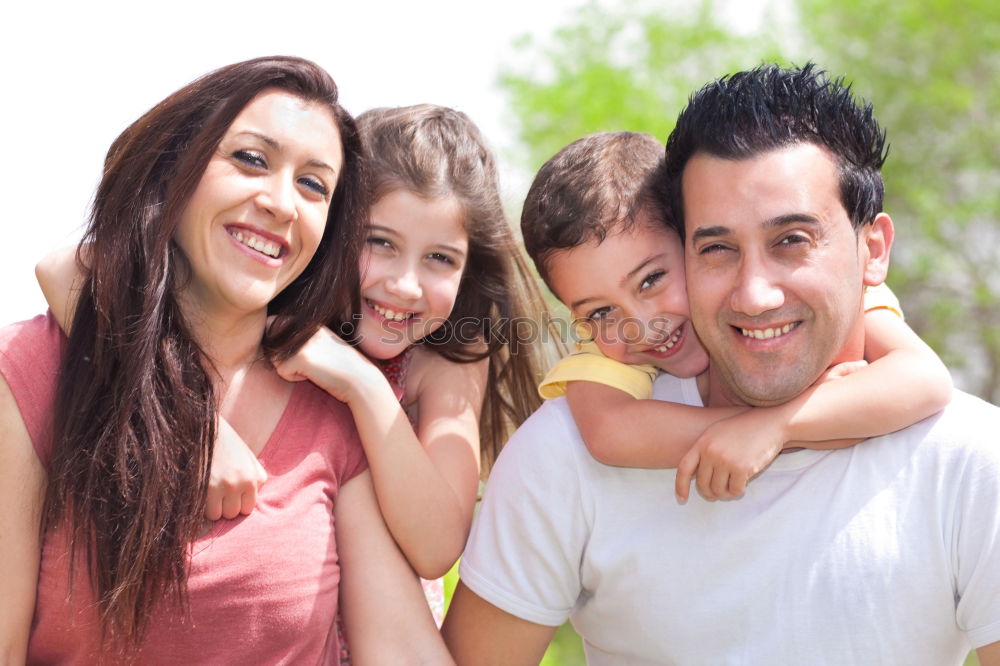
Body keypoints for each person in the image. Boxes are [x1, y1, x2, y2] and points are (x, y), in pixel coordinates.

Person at [443, 64, 1000, 664]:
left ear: (872, 251)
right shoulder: (565, 450)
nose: (755, 293)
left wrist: (776, 426)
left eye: (791, 240)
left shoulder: (970, 460)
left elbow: (925, 378)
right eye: (717, 249)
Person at [0, 56, 451, 664]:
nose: (281, 202)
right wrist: (185, 412)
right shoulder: (30, 371)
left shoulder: (336, 405)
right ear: (173, 173)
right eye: (251, 159)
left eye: (314, 185)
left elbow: (400, 646)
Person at [35, 105, 550, 635]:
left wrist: (364, 384)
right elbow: (63, 266)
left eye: (440, 259)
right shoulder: (272, 310)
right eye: (380, 243)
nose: (405, 285)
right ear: (335, 228)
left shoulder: (445, 360)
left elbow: (437, 546)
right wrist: (197, 421)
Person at [523, 130, 951, 501]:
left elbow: (924, 379)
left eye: (652, 280)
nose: (640, 324)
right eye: (599, 311)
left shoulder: (838, 291)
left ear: (699, 246)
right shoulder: (598, 349)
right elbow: (610, 434)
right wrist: (771, 429)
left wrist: (778, 426)